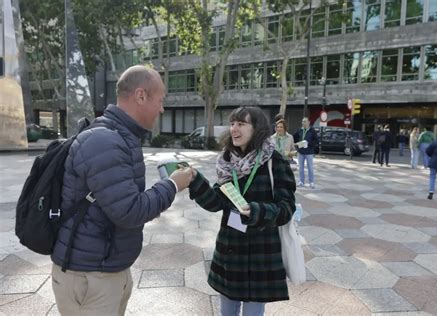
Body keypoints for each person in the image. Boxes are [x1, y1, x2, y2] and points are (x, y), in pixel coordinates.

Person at [50, 65, 194, 315]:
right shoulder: (104, 140)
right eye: (160, 101)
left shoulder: (120, 136)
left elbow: (119, 203)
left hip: (105, 270)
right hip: (90, 277)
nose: (161, 109)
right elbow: (129, 211)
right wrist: (172, 184)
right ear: (141, 96)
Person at [188, 106, 296, 316]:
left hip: (260, 255)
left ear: (257, 128)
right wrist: (195, 182)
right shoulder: (228, 162)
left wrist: (255, 211)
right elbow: (216, 202)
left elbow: (286, 209)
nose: (234, 129)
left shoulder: (275, 162)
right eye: (232, 124)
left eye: (241, 124)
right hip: (230, 253)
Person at [293, 117, 318, 188]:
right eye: (302, 121)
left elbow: (316, 141)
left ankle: (311, 182)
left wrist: (308, 143)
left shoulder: (312, 130)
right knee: (301, 168)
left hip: (309, 152)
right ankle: (301, 181)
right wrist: (297, 144)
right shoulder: (299, 130)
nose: (303, 123)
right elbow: (293, 137)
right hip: (301, 152)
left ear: (308, 122)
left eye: (304, 121)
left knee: (310, 167)